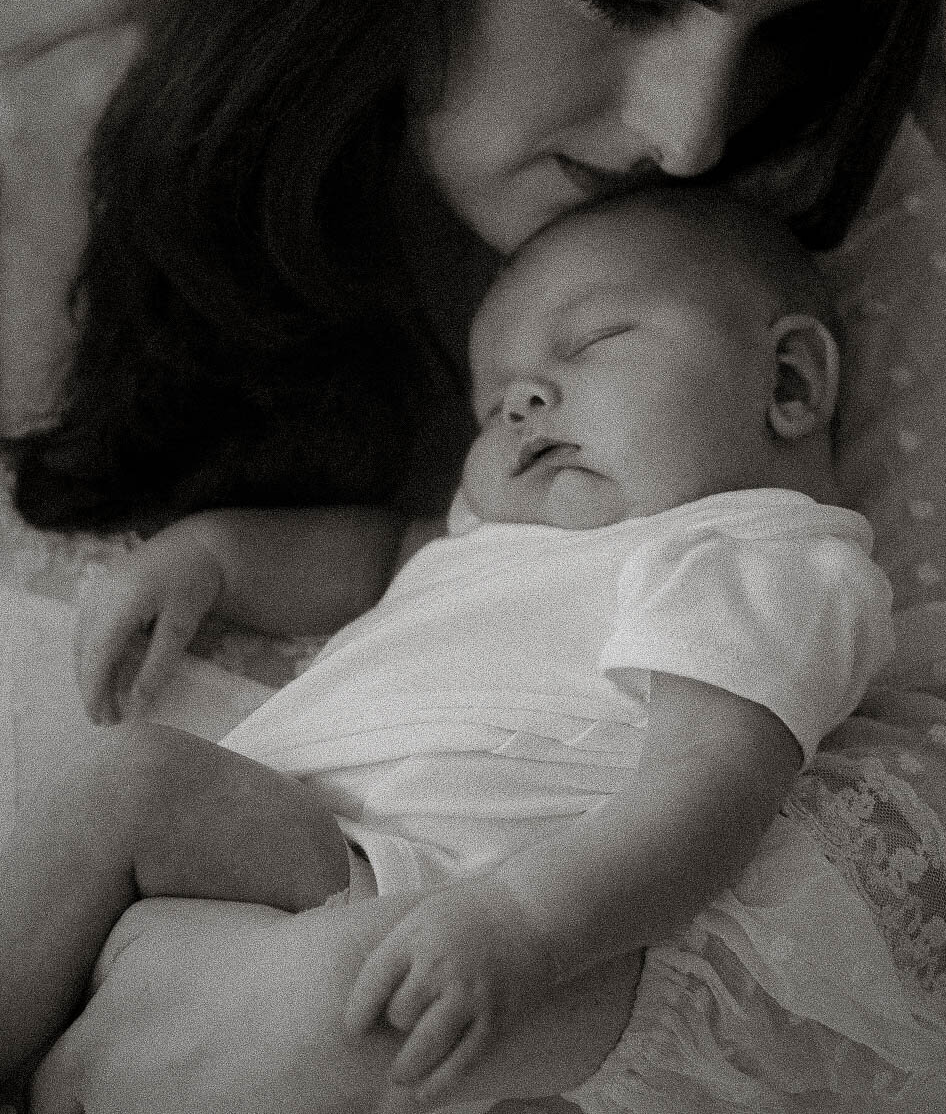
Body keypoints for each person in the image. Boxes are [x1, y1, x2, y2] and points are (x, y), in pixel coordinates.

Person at [14, 0, 946, 1111]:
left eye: (786, 32)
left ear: (793, 380)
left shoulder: (782, 332)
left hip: (418, 933)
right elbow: (397, 551)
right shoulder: (65, 162)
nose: (694, 128)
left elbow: (868, 796)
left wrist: (489, 973)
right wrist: (213, 556)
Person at [3, 194, 893, 1104]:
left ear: (787, 382)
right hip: (290, 827)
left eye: (590, 343)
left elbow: (706, 792)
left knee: (354, 1005)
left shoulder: (758, 554)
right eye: (493, 403)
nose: (525, 402)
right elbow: (374, 552)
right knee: (130, 774)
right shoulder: (490, 534)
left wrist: (523, 924)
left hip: (442, 899)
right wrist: (212, 558)